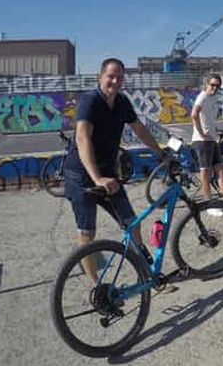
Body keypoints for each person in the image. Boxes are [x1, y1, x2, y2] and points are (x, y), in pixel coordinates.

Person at [63, 58, 165, 282]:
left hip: (108, 174)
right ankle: (97, 286)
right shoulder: (91, 101)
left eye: (120, 77)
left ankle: (146, 272)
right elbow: (82, 137)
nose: (115, 81)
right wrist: (96, 177)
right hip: (82, 176)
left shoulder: (121, 102)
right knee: (87, 233)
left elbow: (138, 128)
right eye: (111, 76)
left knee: (132, 223)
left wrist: (160, 152)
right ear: (100, 77)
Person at [191, 73, 223, 215]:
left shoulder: (213, 97)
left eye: (217, 86)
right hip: (202, 142)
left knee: (221, 171)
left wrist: (215, 131)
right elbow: (194, 114)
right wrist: (202, 134)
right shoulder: (202, 96)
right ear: (206, 85)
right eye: (212, 85)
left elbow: (207, 119)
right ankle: (209, 204)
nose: (215, 88)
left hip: (212, 140)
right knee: (206, 173)